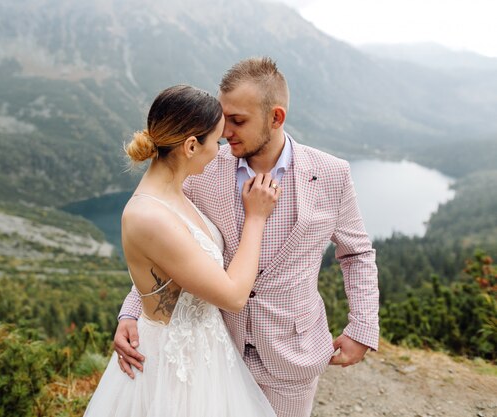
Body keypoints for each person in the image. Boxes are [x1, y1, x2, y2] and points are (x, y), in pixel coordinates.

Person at [115, 57, 380, 417]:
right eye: (224, 120)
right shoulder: (201, 170)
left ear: (276, 118)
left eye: (238, 121)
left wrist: (362, 327)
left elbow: (357, 254)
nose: (225, 132)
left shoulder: (331, 174)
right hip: (215, 353)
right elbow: (168, 251)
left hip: (292, 358)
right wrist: (131, 313)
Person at [83, 84, 281, 416]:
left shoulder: (177, 191)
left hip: (207, 350)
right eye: (215, 142)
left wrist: (130, 312)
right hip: (174, 365)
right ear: (191, 145)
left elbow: (166, 274)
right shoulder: (148, 216)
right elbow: (232, 296)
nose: (221, 150)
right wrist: (256, 218)